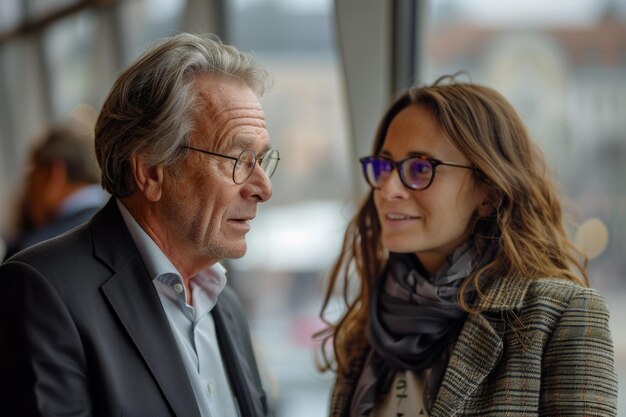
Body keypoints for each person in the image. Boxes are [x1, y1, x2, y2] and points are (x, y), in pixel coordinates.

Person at [0, 33, 280, 417]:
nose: (263, 188)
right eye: (238, 160)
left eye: (261, 159)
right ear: (150, 171)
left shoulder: (224, 305)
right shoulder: (44, 292)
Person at [318, 76, 618, 416]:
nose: (388, 189)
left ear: (488, 193)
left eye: (419, 168)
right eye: (385, 166)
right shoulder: (368, 325)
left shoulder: (560, 316)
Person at [3, 122, 108, 260]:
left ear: (54, 174)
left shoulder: (30, 252)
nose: (27, 195)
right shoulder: (123, 231)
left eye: (31, 181)